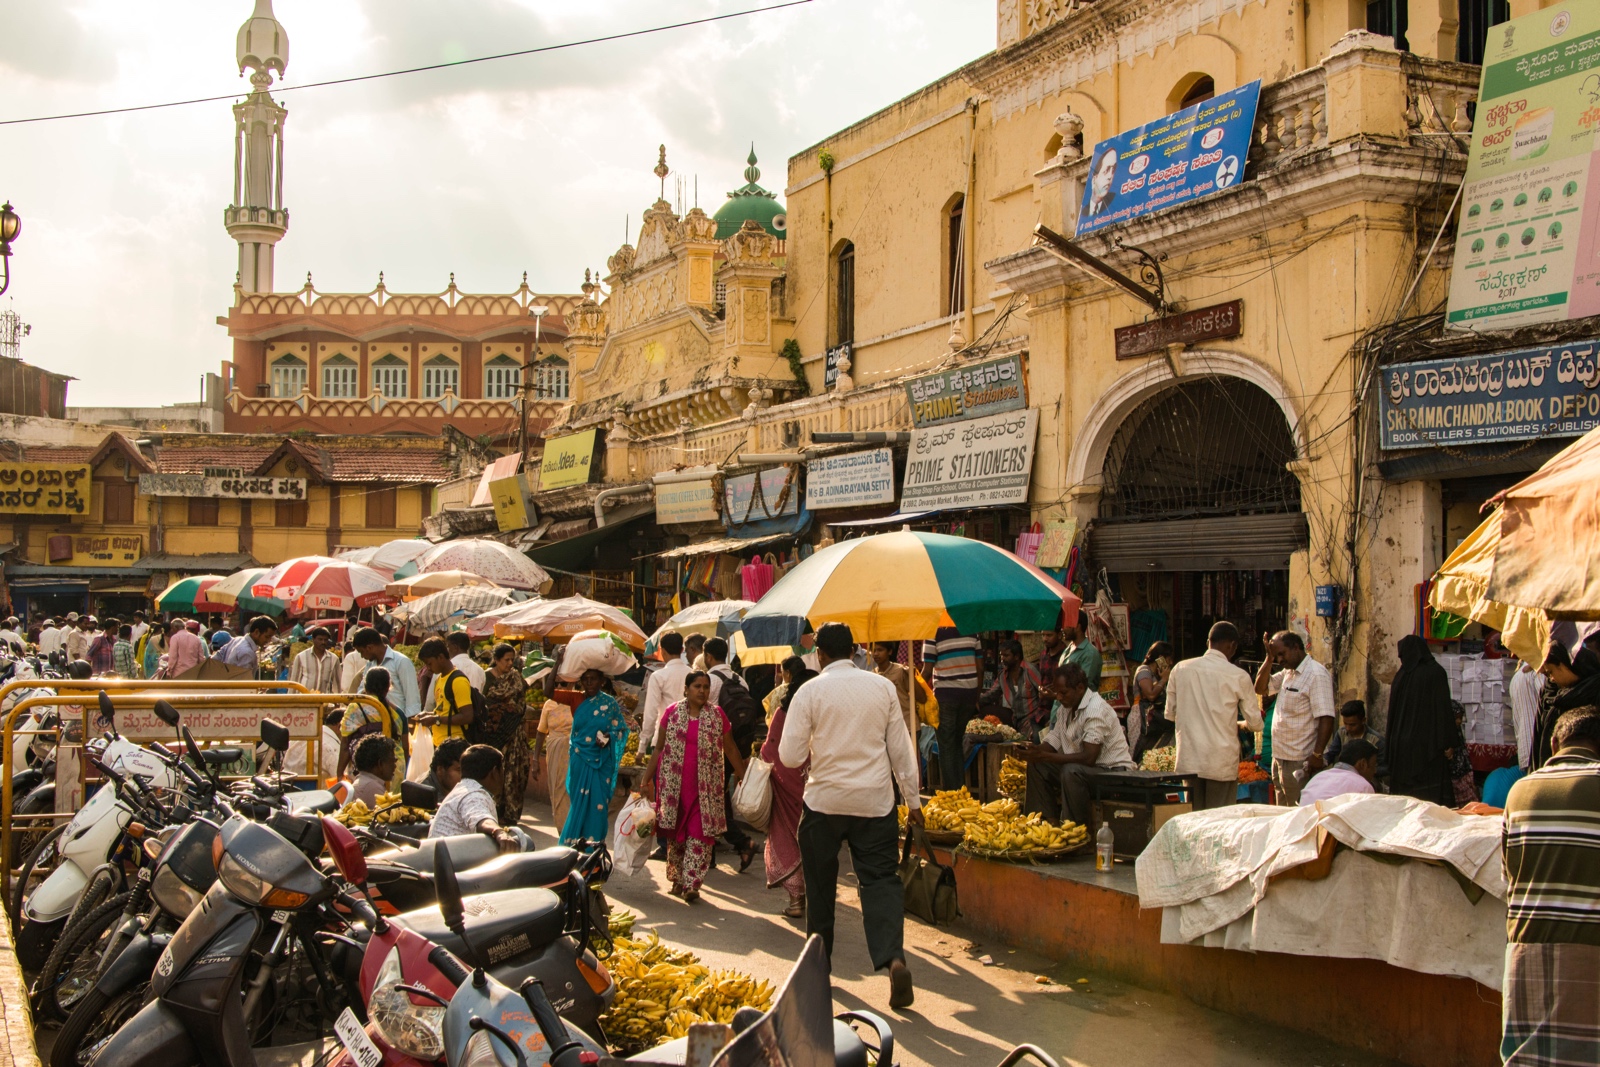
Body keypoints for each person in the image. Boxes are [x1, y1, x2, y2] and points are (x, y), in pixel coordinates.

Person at [781, 621, 922, 1010]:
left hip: (824, 802)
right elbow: (901, 751)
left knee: (821, 885)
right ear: (854, 651)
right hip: (875, 803)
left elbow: (790, 757)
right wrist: (914, 802)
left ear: (820, 655)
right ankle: (893, 959)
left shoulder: (809, 691)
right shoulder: (882, 687)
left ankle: (819, 968)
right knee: (880, 881)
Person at [1499, 708, 1600, 1065]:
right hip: (1590, 952)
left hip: (1526, 952)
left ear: (1554, 744)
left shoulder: (1519, 790)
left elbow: (1508, 878)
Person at [641, 671, 749, 901]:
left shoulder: (717, 715)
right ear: (686, 689)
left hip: (706, 790)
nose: (702, 691)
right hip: (674, 789)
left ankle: (692, 883)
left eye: (706, 687)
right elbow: (658, 749)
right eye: (697, 686)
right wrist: (645, 779)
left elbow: (729, 749)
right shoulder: (671, 714)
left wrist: (742, 776)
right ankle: (679, 880)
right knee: (677, 836)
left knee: (700, 835)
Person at [1020, 662, 1135, 827]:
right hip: (1086, 772)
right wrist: (1034, 751)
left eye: (1063, 693)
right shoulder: (1065, 709)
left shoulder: (1095, 710)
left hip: (1112, 774)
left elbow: (1089, 757)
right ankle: (1046, 822)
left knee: (1071, 771)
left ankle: (1077, 830)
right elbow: (1054, 739)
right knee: (1037, 766)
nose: (1058, 698)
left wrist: (1045, 755)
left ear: (1080, 688)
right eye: (1057, 693)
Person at [1168, 621, 1261, 810]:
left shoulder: (1180, 669)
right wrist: (1241, 723)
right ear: (1232, 646)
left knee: (1193, 821)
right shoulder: (1238, 676)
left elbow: (1170, 713)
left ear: (1207, 642)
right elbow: (1256, 724)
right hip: (1220, 763)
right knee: (1219, 823)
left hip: (1189, 760)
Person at [1254, 630, 1335, 806]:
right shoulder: (1288, 673)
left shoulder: (1316, 674)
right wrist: (1269, 659)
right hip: (1280, 757)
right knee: (1282, 815)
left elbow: (1326, 717)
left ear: (1296, 647)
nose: (1280, 660)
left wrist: (1317, 754)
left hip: (1300, 760)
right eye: (1276, 656)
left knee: (1298, 815)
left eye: (1281, 654)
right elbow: (1260, 688)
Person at [763, 656, 815, 918]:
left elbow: (770, 750)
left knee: (789, 839)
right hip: (817, 787)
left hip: (787, 785)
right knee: (815, 844)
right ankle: (817, 902)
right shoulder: (824, 711)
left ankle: (796, 902)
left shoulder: (784, 713)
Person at [701, 637, 758, 870]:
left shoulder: (709, 681)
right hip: (736, 747)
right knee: (718, 797)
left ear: (707, 656)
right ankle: (722, 848)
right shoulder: (739, 679)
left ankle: (741, 842)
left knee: (710, 799)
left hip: (712, 750)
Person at [1385, 635, 1457, 805]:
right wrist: (1448, 742)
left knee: (1405, 801)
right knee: (1429, 801)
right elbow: (1443, 711)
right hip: (1427, 748)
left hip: (1401, 748)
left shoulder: (1400, 677)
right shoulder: (1435, 673)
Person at [560, 668, 629, 845]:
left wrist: (609, 738)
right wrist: (558, 664)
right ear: (580, 681)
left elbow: (620, 729)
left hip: (601, 761)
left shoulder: (610, 703)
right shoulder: (576, 699)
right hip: (579, 758)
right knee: (578, 804)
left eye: (593, 679)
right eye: (586, 679)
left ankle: (594, 848)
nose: (589, 683)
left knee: (598, 806)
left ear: (602, 682)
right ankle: (572, 846)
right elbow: (547, 693)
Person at [428, 744, 521, 852]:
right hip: (448, 864)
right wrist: (499, 832)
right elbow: (480, 817)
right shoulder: (473, 794)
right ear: (495, 772)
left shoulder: (463, 789)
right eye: (502, 770)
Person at [921, 625, 982, 790]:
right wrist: (976, 696)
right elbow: (980, 667)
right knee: (956, 743)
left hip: (946, 696)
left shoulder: (933, 632)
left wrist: (914, 690)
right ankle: (960, 789)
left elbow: (927, 671)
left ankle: (952, 793)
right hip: (968, 696)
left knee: (946, 746)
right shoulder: (971, 630)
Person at [476, 643, 530, 824]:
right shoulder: (486, 678)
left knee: (515, 775)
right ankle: (494, 812)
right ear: (496, 660)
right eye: (506, 660)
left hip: (514, 735)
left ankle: (511, 815)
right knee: (495, 774)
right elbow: (482, 705)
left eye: (512, 660)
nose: (509, 664)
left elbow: (521, 705)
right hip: (494, 736)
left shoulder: (515, 678)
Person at [1532, 637, 1600, 770]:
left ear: (1564, 664)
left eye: (1551, 672)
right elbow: (1538, 742)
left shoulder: (1595, 691)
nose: (1551, 678)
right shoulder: (1550, 694)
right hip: (1553, 773)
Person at [339, 666, 408, 790]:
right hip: (394, 771)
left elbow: (345, 745)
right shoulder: (399, 714)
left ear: (365, 686)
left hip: (365, 771)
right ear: (388, 688)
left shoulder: (355, 708)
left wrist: (339, 773)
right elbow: (405, 749)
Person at [415, 637, 477, 748]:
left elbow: (467, 716)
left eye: (429, 663)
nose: (428, 668)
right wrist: (429, 715)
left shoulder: (458, 681)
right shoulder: (439, 678)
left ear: (441, 657)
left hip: (455, 746)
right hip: (441, 744)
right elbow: (444, 710)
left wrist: (436, 719)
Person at [981, 639, 1048, 740]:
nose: (1002, 659)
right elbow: (991, 695)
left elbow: (1044, 692)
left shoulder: (1030, 670)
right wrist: (974, 698)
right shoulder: (1002, 676)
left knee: (1036, 737)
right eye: (1001, 655)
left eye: (1006, 656)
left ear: (1016, 656)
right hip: (1015, 719)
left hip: (1032, 719)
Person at [352, 627, 422, 723]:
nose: (362, 656)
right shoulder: (370, 664)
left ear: (369, 648)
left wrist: (410, 725)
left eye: (361, 652)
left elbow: (412, 697)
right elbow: (361, 691)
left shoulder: (401, 662)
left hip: (397, 723)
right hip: (374, 722)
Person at [638, 632, 690, 756]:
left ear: (662, 651)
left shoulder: (658, 676)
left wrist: (642, 746)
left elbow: (651, 713)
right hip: (690, 737)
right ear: (682, 650)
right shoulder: (693, 674)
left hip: (665, 738)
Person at [1297, 739, 1378, 805]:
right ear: (1363, 764)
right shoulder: (1363, 786)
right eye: (1374, 766)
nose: (1375, 771)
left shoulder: (1318, 777)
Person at [1323, 700, 1387, 782]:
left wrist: (1365, 771)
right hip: (1343, 779)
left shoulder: (1377, 740)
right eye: (1345, 724)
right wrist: (1322, 761)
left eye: (1352, 725)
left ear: (1363, 720)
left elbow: (1386, 768)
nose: (1348, 728)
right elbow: (1331, 753)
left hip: (1368, 781)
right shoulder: (1341, 733)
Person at [534, 698, 574, 829]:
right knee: (557, 790)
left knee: (570, 790)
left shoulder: (578, 701)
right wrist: (535, 760)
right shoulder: (549, 704)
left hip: (574, 752)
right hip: (554, 752)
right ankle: (562, 831)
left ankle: (573, 831)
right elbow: (541, 732)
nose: (560, 687)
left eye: (564, 684)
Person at [1132, 641, 1175, 759]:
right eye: (1168, 659)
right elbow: (1150, 695)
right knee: (1140, 756)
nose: (1170, 663)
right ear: (1160, 658)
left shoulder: (1157, 675)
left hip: (1153, 720)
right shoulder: (1144, 670)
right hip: (1140, 719)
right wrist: (1164, 680)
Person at [869, 643, 917, 742]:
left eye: (880, 650)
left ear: (890, 651)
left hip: (908, 725)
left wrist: (913, 677)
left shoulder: (901, 671)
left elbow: (921, 697)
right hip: (885, 729)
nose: (876, 654)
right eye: (873, 650)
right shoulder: (871, 675)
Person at [1510, 657, 1546, 773]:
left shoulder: (1519, 674)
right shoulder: (1537, 670)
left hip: (1527, 747)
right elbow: (1548, 699)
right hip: (1539, 749)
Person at [344, 735, 398, 811]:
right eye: (393, 761)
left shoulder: (363, 780)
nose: (395, 766)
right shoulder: (372, 787)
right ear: (380, 764)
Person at [289, 627, 341, 692]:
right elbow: (294, 681)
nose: (323, 642)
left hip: (324, 700)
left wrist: (338, 701)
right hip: (304, 699)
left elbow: (338, 684)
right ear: (313, 639)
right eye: (320, 639)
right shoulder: (301, 657)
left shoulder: (334, 659)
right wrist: (291, 700)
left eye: (325, 640)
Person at [422, 737, 470, 804]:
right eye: (459, 770)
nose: (465, 776)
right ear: (440, 770)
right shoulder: (424, 795)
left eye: (468, 770)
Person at [1061, 614, 1103, 692]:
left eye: (1066, 625)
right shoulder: (1068, 649)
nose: (1062, 629)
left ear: (1077, 627)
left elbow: (1083, 685)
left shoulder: (1090, 653)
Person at [1085, 145, 1119, 218]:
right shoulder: (1083, 213)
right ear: (1094, 179)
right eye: (1106, 170)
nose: (1110, 176)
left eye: (1113, 170)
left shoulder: (1116, 207)